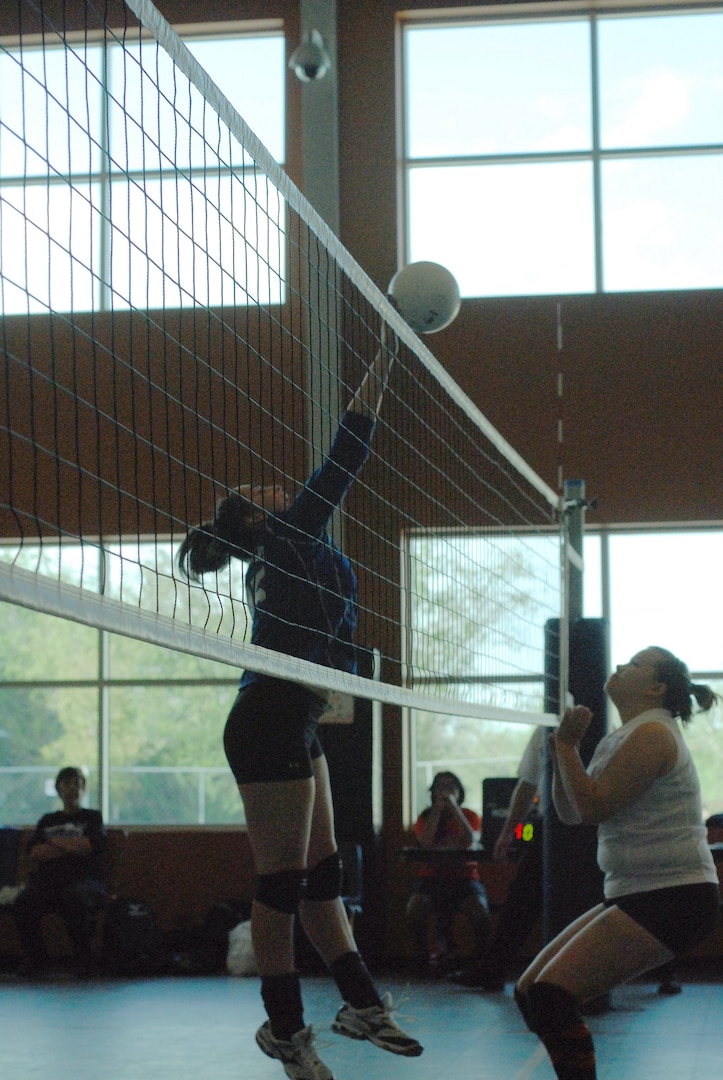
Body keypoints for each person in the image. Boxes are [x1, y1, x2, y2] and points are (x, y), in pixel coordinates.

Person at [178, 328, 422, 1080]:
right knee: (281, 883)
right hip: (269, 717)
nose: (277, 489)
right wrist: (384, 356)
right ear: (254, 519)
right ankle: (285, 1031)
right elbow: (347, 452)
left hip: (298, 715)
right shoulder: (285, 536)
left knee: (321, 878)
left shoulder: (290, 546)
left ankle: (358, 1004)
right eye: (261, 493)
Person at [514, 646, 720, 1080]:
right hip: (636, 892)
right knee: (531, 992)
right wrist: (560, 755)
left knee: (551, 994)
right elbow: (571, 813)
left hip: (673, 896)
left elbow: (595, 807)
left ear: (655, 688)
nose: (621, 666)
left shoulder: (653, 735)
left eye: (635, 664)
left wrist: (568, 746)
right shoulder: (624, 735)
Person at [451, 726, 544, 990]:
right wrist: (507, 832)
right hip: (549, 826)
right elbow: (526, 785)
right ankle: (492, 969)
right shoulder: (545, 728)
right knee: (520, 902)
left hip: (593, 826)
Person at [13, 766, 108, 977]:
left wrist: (54, 842)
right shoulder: (47, 820)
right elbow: (35, 852)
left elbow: (89, 846)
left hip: (85, 881)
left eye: (77, 784)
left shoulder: (92, 818)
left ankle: (84, 961)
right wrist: (70, 845)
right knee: (23, 902)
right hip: (49, 882)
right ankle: (37, 959)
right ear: (58, 789)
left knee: (74, 898)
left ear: (83, 789)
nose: (72, 789)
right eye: (67, 784)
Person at [406, 771, 491, 973]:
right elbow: (425, 842)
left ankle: (484, 964)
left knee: (480, 910)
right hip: (431, 878)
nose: (444, 791)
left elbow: (470, 841)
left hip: (465, 879)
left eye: (450, 786)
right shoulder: (425, 817)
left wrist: (453, 807)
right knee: (414, 908)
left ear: (459, 791)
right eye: (440, 787)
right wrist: (437, 811)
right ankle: (422, 962)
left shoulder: (470, 816)